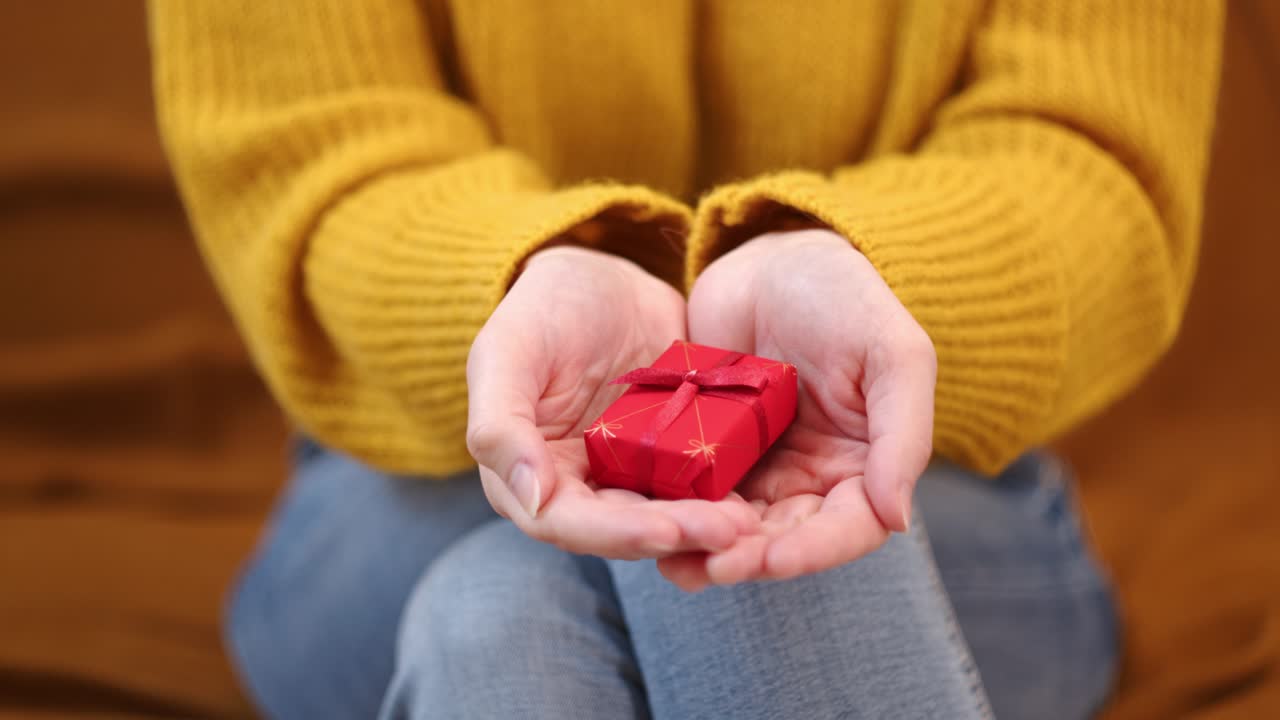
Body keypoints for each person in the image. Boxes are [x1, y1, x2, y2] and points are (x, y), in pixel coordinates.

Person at [149, 1, 1223, 717]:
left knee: (499, 632)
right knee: (704, 568)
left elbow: (1095, 149)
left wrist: (866, 272)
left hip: (934, 499)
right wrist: (528, 276)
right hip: (401, 497)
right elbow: (306, 155)